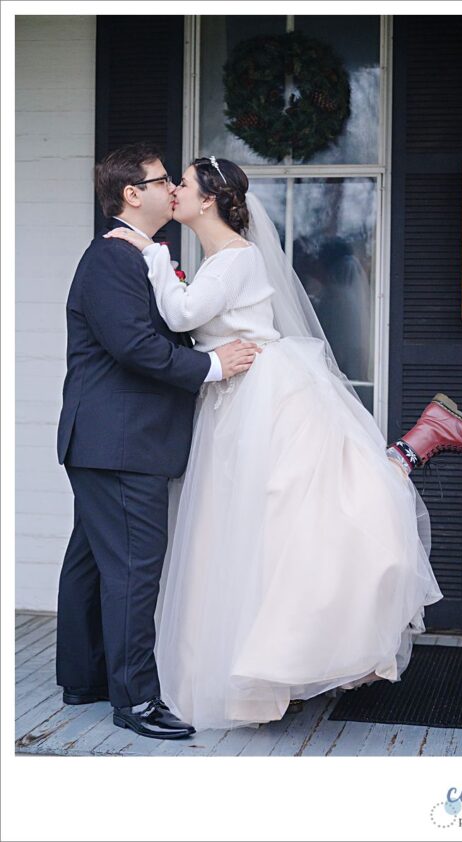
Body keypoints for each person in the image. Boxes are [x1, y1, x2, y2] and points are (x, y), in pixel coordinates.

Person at [106, 155, 462, 731]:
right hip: (234, 398)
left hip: (265, 395)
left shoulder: (235, 257)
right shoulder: (217, 257)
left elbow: (182, 310)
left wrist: (150, 254)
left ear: (208, 199)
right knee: (270, 529)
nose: (172, 193)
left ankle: (422, 441)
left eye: (181, 185)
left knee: (310, 518)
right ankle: (418, 442)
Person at [56, 143, 260, 740]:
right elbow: (134, 348)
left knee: (93, 562)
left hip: (109, 439)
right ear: (131, 194)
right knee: (134, 571)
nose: (172, 186)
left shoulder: (135, 255)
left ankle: (85, 677)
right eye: (161, 179)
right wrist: (213, 367)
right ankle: (137, 701)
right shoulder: (112, 259)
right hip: (120, 440)